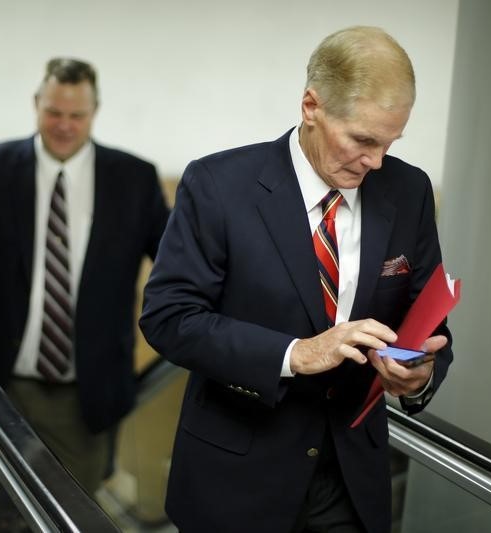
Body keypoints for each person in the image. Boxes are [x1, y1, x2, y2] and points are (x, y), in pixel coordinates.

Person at [139, 26, 453, 533]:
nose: (375, 162)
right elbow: (170, 318)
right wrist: (296, 354)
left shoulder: (410, 190)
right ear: (312, 106)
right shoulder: (218, 185)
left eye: (390, 143)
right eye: (363, 140)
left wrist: (419, 377)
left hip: (352, 483)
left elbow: (426, 318)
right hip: (237, 480)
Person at [0, 57, 170, 494]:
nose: (64, 125)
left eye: (76, 115)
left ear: (95, 111)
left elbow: (172, 257)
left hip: (85, 392)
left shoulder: (133, 178)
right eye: (53, 112)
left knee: (70, 511)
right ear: (36, 104)